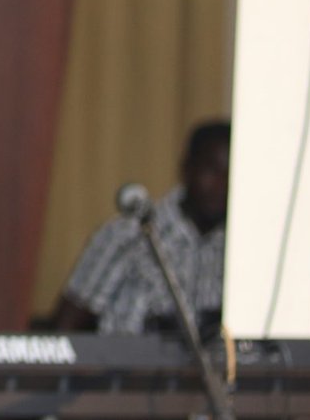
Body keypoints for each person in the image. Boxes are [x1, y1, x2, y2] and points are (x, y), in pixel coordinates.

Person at [54, 120, 231, 337]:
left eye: (230, 174)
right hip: (126, 367)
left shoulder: (239, 246)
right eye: (212, 170)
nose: (221, 185)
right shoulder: (128, 235)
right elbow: (66, 329)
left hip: (209, 370)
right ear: (187, 168)